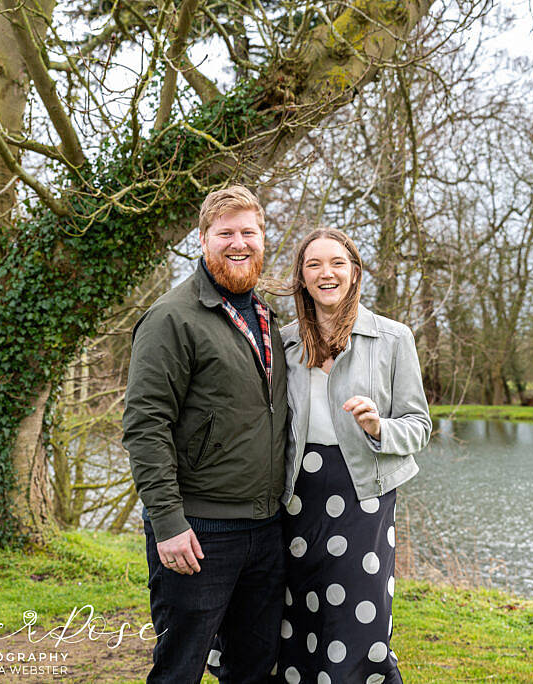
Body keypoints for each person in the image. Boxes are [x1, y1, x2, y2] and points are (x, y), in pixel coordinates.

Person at [123, 185, 288, 684]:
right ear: (202, 239)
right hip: (199, 531)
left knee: (253, 670)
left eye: (249, 232)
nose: (238, 243)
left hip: (266, 528)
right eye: (226, 233)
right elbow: (145, 424)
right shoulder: (172, 317)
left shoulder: (268, 316)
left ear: (263, 238)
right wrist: (169, 522)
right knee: (180, 670)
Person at [275, 228, 432, 684]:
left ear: (355, 272)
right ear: (302, 278)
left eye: (337, 263)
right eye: (314, 265)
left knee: (358, 618)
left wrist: (379, 426)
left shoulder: (392, 338)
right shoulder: (283, 343)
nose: (327, 273)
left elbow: (420, 426)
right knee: (300, 613)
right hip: (296, 498)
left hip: (365, 495)